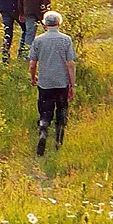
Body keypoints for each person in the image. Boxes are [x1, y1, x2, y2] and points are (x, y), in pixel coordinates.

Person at [28, 11, 76, 157]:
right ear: (59, 23)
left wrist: (33, 77)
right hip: (61, 83)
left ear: (44, 24)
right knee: (61, 112)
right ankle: (58, 143)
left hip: (44, 83)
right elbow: (71, 64)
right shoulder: (66, 40)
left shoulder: (38, 40)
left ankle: (43, 132)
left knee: (45, 111)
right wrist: (72, 85)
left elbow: (32, 64)